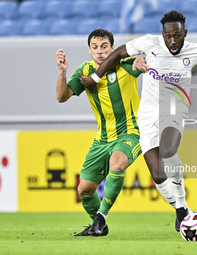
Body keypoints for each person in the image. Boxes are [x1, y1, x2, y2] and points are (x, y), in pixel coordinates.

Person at [80, 10, 197, 234]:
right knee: (159, 175)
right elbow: (119, 52)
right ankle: (183, 211)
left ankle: (181, 209)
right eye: (168, 35)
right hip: (148, 115)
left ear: (184, 33)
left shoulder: (194, 51)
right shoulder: (149, 43)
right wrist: (95, 78)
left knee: (168, 151)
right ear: (162, 34)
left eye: (177, 36)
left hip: (175, 110)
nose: (172, 40)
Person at [56, 28, 143, 236]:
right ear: (89, 50)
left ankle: (100, 218)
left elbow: (143, 63)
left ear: (113, 48)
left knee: (118, 162)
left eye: (104, 47)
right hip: (102, 139)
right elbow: (61, 97)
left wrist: (141, 63)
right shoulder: (85, 71)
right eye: (95, 47)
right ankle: (99, 227)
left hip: (130, 132)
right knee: (84, 190)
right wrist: (63, 72)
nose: (100, 51)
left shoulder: (125, 64)